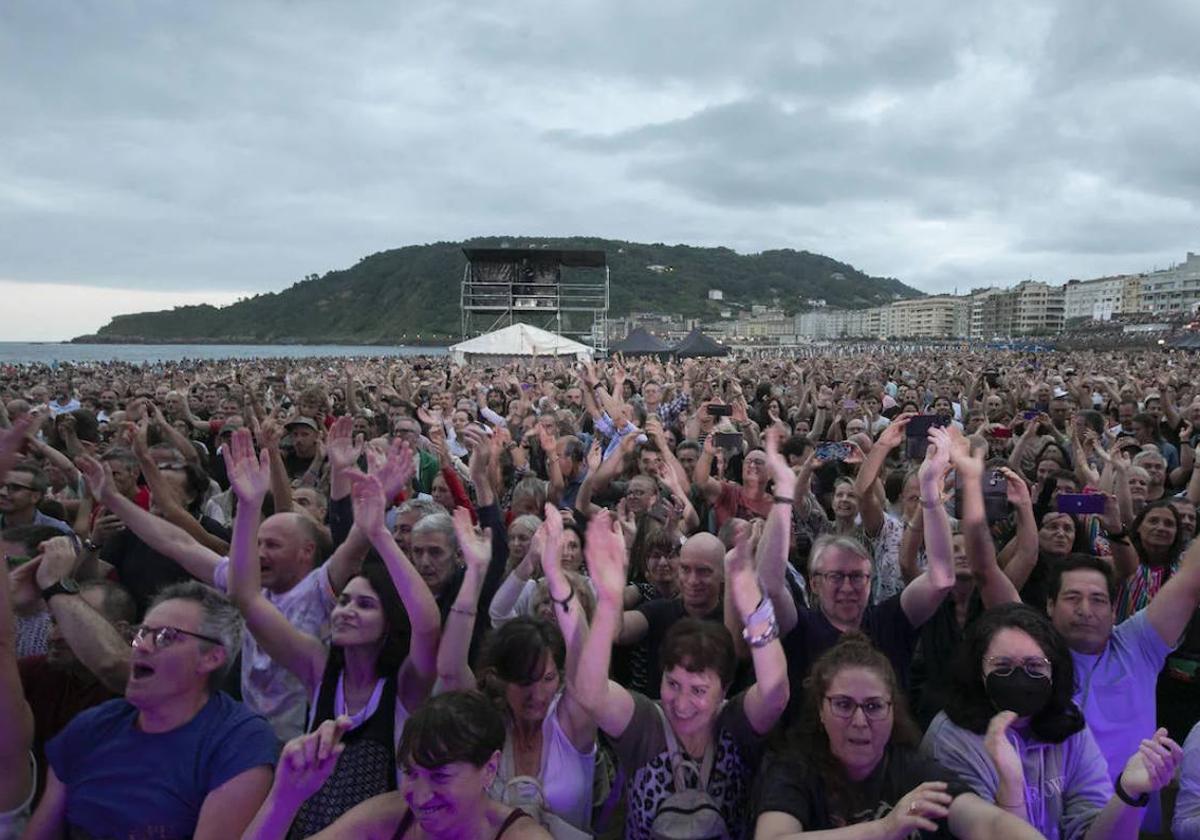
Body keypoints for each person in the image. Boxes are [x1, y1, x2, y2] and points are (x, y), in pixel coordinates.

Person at [227, 447, 440, 836]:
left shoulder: (406, 686)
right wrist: (249, 506)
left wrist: (379, 534)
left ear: (389, 622)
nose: (345, 611)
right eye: (342, 602)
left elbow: (427, 627)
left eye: (364, 604)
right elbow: (247, 597)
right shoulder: (317, 668)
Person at [572, 511, 789, 839]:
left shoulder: (733, 724)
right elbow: (590, 693)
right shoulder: (646, 723)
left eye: (699, 690)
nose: (682, 703)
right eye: (673, 684)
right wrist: (609, 600)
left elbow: (775, 693)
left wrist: (752, 600)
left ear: (725, 688)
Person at [24, 580, 279, 839]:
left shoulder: (239, 741)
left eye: (165, 637)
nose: (143, 646)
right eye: (142, 633)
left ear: (211, 658)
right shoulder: (91, 727)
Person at [922, 603, 1183, 839]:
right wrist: (1011, 786)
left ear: (1053, 671)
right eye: (1002, 667)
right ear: (978, 672)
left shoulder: (1068, 723)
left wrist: (1128, 793)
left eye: (1034, 666)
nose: (1020, 679)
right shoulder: (951, 739)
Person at [754, 634, 1044, 839]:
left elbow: (989, 824)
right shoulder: (794, 769)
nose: (859, 721)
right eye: (843, 704)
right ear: (820, 708)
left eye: (873, 706)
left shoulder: (914, 771)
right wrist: (884, 829)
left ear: (893, 710)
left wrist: (1012, 783)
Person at [438, 505, 597, 837]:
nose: (537, 695)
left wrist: (553, 572)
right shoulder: (487, 722)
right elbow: (452, 670)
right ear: (500, 677)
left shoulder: (571, 723)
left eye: (548, 679)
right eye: (523, 681)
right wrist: (474, 574)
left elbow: (584, 653)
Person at [243, 690, 551, 839]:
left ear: (489, 767)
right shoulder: (387, 818)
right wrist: (285, 797)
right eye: (412, 773)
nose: (420, 795)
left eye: (441, 775)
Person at [1047, 548, 1200, 830]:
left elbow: (1192, 578)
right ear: (1050, 606)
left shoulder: (1138, 644)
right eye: (1072, 598)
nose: (1085, 609)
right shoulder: (1029, 653)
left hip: (1134, 824)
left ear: (1113, 610)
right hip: (1050, 826)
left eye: (1098, 599)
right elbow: (987, 574)